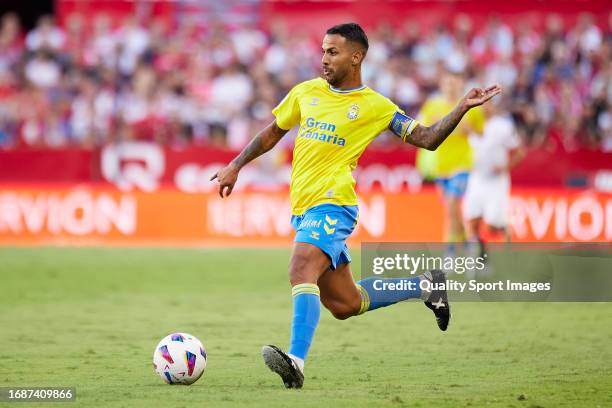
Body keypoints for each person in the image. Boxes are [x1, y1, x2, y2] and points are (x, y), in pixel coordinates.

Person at [211, 23, 501, 389]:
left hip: (334, 206)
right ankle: (426, 286)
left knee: (301, 267)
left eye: (332, 52)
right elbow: (272, 132)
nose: (324, 59)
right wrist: (236, 165)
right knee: (345, 304)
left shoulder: (376, 106)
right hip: (303, 209)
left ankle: (296, 363)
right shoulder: (306, 92)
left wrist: (460, 108)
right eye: (322, 51)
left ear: (356, 57)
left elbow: (426, 138)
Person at [417, 69, 485, 254]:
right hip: (441, 166)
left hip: (462, 164)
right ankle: (468, 243)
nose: (451, 86)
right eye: (447, 82)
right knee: (450, 211)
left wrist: (469, 129)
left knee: (453, 204)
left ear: (461, 84)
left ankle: (451, 251)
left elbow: (481, 133)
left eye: (454, 82)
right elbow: (419, 126)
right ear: (442, 84)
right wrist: (429, 123)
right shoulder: (433, 106)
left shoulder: (470, 107)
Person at [463, 98, 525, 252]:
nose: (484, 108)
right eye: (481, 105)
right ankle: (480, 258)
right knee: (473, 221)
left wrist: (505, 166)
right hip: (476, 178)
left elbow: (520, 152)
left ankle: (505, 231)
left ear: (493, 106)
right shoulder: (469, 125)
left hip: (496, 181)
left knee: (492, 224)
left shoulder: (503, 126)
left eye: (487, 104)